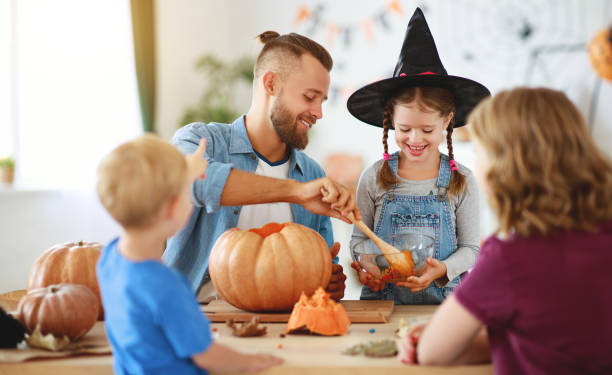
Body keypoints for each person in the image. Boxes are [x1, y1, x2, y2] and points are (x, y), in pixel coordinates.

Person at [401, 87, 612, 373]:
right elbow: (553, 340)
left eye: (479, 152)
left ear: (504, 167)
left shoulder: (508, 260)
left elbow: (432, 352)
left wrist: (432, 336)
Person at [163, 31, 359, 301]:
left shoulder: (312, 174)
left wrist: (328, 282)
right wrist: (295, 192)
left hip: (282, 333)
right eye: (309, 97)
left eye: (321, 101)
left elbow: (318, 282)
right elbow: (198, 181)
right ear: (271, 84)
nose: (318, 112)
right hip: (195, 322)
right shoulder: (199, 141)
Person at [96, 135, 283, 374]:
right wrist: (251, 362)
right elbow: (207, 357)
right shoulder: (166, 286)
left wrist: (186, 172)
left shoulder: (110, 258)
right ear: (173, 208)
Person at [346, 8, 489, 304]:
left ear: (447, 121)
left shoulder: (461, 180)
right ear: (390, 123)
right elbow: (360, 239)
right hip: (381, 305)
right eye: (404, 128)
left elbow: (471, 249)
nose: (414, 139)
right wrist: (366, 263)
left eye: (426, 129)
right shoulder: (373, 177)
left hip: (443, 309)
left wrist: (443, 269)